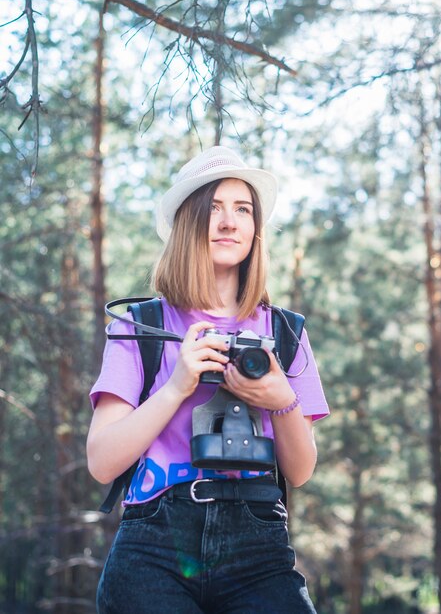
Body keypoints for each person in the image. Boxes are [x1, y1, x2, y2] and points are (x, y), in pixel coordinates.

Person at [87, 146, 329, 614]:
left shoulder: (285, 332)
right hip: (154, 545)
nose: (229, 222)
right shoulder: (140, 325)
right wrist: (177, 384)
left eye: (243, 209)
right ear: (187, 223)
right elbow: (102, 462)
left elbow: (299, 472)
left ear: (256, 229)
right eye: (213, 208)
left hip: (258, 545)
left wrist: (280, 398)